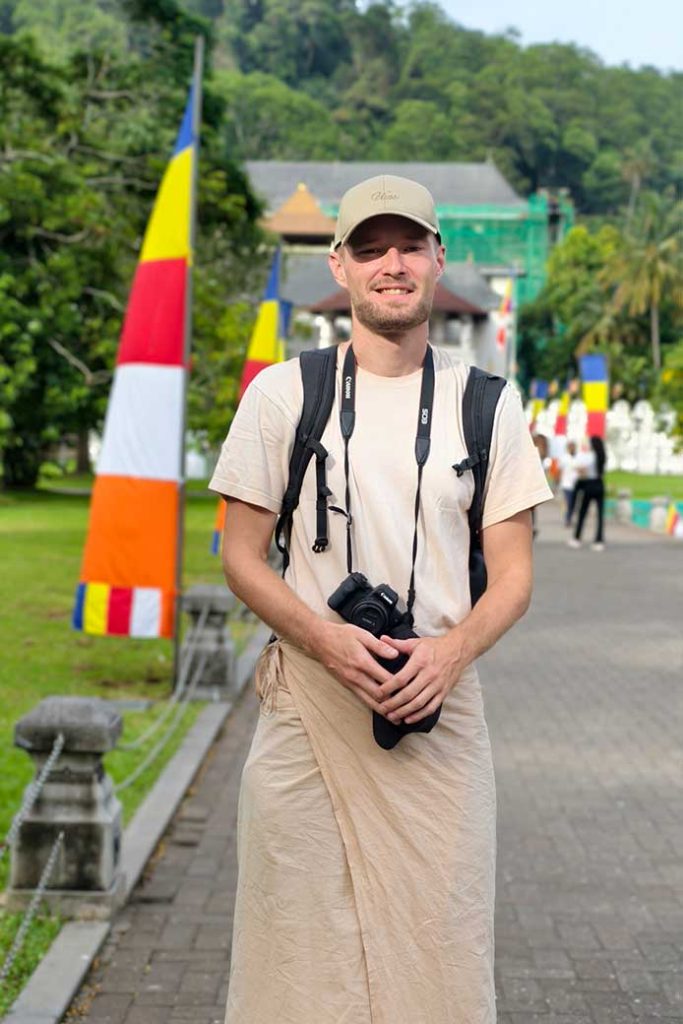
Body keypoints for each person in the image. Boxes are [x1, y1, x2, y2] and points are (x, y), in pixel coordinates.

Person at [209, 174, 553, 1024]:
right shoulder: (284, 395)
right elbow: (241, 556)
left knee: (441, 953)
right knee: (293, 952)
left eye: (407, 245)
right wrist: (324, 640)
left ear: (438, 258)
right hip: (311, 713)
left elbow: (511, 574)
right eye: (370, 248)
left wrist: (449, 652)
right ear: (340, 266)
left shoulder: (487, 405)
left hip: (435, 713)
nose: (390, 264)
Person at [568, 435, 606, 550]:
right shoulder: (602, 456)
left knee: (583, 512)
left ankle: (577, 538)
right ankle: (599, 540)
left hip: (589, 485)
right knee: (600, 515)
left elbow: (581, 469)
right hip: (600, 484)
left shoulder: (590, 456)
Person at [558, 439, 579, 527]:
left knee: (573, 503)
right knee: (569, 502)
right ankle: (568, 519)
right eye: (570, 447)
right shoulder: (564, 458)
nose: (572, 448)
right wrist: (558, 481)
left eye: (573, 446)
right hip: (566, 484)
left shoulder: (578, 457)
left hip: (576, 484)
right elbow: (560, 470)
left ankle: (569, 517)